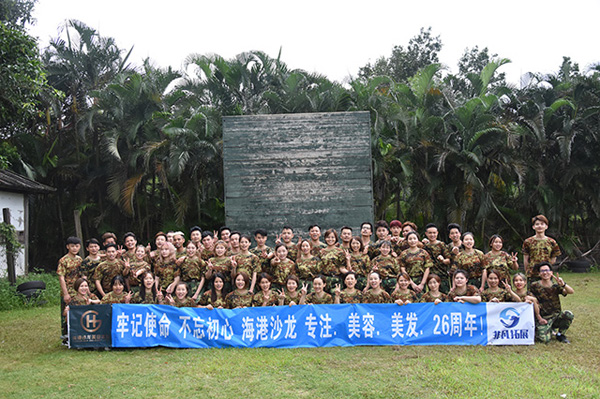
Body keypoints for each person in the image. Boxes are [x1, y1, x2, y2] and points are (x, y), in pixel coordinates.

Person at [530, 262, 574, 344]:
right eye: (542, 271)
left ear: (551, 272)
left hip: (556, 316)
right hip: (543, 318)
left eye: (547, 270)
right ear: (539, 274)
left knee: (568, 314)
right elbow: (529, 298)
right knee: (544, 340)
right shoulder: (534, 285)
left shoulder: (556, 286)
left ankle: (560, 334)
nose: (545, 273)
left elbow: (571, 291)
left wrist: (563, 284)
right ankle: (549, 329)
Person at [522, 215, 561, 283]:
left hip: (547, 274)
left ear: (546, 226)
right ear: (533, 227)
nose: (539, 226)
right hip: (532, 274)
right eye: (537, 224)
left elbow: (553, 259)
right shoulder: (528, 242)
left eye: (542, 224)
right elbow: (526, 259)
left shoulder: (552, 242)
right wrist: (528, 272)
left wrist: (545, 268)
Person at [57, 236, 83, 326]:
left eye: (77, 246)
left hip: (78, 291)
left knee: (79, 313)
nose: (75, 248)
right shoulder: (63, 260)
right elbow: (61, 277)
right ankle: (65, 336)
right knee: (66, 313)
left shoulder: (79, 259)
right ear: (67, 247)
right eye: (72, 246)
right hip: (68, 290)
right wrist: (65, 293)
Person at [422, 223, 451, 293]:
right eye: (430, 233)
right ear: (426, 233)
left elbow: (449, 260)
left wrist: (443, 260)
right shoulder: (425, 246)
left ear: (437, 233)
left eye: (434, 233)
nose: (432, 235)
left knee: (444, 296)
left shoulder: (442, 245)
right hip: (430, 276)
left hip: (442, 276)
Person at [319, 229, 345, 293]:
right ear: (325, 238)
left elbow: (342, 266)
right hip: (325, 279)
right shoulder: (321, 251)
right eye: (328, 237)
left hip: (336, 279)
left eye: (332, 237)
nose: (330, 239)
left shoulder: (340, 251)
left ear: (336, 238)